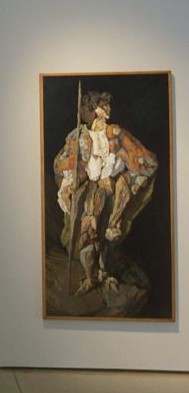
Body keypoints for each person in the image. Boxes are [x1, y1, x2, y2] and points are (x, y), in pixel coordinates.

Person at [53, 90, 157, 296]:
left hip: (115, 192)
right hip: (91, 193)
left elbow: (143, 159)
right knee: (88, 237)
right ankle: (90, 278)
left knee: (110, 237)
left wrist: (125, 180)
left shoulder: (116, 133)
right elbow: (67, 165)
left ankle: (104, 273)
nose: (107, 109)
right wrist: (69, 186)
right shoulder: (79, 136)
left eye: (108, 105)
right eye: (102, 105)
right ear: (93, 109)